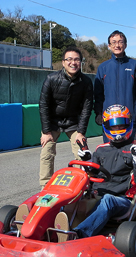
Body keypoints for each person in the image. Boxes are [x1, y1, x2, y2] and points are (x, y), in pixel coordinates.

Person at [55, 105, 136, 240]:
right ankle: (48, 225)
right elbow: (92, 176)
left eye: (120, 125)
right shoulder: (101, 149)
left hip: (122, 200)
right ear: (106, 127)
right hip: (96, 195)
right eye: (113, 126)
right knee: (68, 195)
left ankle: (78, 235)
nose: (117, 130)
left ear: (129, 124)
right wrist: (88, 160)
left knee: (107, 200)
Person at [39, 46, 93, 188]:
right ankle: (45, 186)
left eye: (76, 59)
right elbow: (43, 105)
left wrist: (81, 132)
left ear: (81, 62)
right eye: (69, 59)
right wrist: (46, 132)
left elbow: (87, 109)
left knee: (82, 154)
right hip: (53, 122)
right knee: (47, 153)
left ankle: (82, 186)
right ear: (63, 62)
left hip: (73, 123)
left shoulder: (86, 82)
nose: (73, 63)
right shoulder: (51, 79)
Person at [94, 30, 136, 142]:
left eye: (120, 42)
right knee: (110, 154)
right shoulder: (103, 67)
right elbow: (98, 94)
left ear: (125, 45)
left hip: (130, 119)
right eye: (113, 42)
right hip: (110, 120)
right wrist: (98, 113)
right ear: (109, 46)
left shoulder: (134, 65)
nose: (117, 45)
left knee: (132, 153)